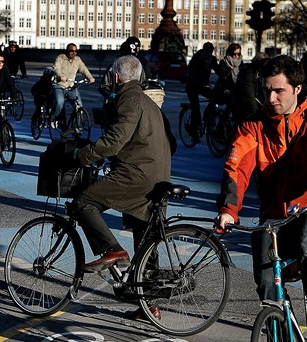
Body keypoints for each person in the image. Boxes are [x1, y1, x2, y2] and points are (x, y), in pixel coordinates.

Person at [215, 55, 307, 342]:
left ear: (297, 88)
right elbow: (236, 166)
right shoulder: (254, 126)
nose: (271, 97)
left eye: (279, 91)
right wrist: (229, 208)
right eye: (266, 90)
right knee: (265, 279)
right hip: (275, 212)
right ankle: (278, 325)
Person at [70, 55, 174, 278]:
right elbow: (171, 144)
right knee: (145, 236)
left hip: (137, 175)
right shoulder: (150, 103)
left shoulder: (128, 99)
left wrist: (82, 155)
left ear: (116, 77)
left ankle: (113, 250)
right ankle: (149, 302)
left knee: (84, 203)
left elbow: (115, 141)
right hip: (159, 176)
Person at [51, 43, 95, 125]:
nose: (74, 53)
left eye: (75, 51)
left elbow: (83, 69)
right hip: (59, 85)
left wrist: (90, 77)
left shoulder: (77, 60)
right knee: (60, 102)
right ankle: (54, 119)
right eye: (71, 51)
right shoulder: (60, 58)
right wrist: (60, 76)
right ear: (67, 51)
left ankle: (78, 126)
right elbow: (56, 68)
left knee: (79, 106)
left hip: (71, 86)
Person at [184, 42, 219, 142]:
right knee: (195, 107)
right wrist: (195, 80)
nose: (209, 54)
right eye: (207, 51)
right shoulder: (197, 58)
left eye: (211, 52)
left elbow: (217, 70)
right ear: (203, 51)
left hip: (203, 85)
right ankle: (194, 132)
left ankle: (207, 116)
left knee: (214, 97)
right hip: (192, 86)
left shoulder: (212, 60)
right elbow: (190, 71)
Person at [232, 52, 269, 122]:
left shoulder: (260, 72)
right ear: (257, 62)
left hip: (254, 100)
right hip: (241, 102)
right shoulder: (248, 72)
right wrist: (256, 112)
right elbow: (249, 93)